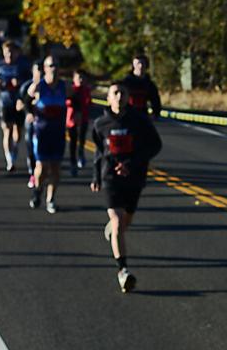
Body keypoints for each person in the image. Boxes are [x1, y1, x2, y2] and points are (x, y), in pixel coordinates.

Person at [90, 80, 162, 292]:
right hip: (110, 178)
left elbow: (155, 145)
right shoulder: (100, 124)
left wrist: (132, 163)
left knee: (125, 221)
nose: (119, 96)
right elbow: (98, 152)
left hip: (134, 177)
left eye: (122, 92)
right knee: (118, 220)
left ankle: (113, 231)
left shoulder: (139, 120)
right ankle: (123, 271)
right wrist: (96, 176)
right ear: (108, 97)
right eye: (115, 93)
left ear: (128, 96)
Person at [22, 55, 68, 213]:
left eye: (56, 65)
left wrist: (77, 113)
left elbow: (76, 101)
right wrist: (29, 113)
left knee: (56, 168)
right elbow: (25, 100)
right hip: (42, 131)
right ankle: (37, 189)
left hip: (58, 132)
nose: (54, 69)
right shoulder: (38, 86)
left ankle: (51, 199)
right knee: (42, 167)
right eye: (50, 65)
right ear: (45, 69)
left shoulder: (64, 86)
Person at [0, 39, 31, 172]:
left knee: (18, 131)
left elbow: (31, 81)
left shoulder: (22, 66)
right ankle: (9, 160)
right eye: (6, 52)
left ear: (17, 53)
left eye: (12, 52)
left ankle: (15, 149)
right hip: (5, 101)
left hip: (19, 102)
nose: (9, 55)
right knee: (7, 129)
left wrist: (20, 82)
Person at [66, 67, 94, 174]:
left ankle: (81, 154)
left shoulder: (86, 90)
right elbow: (67, 102)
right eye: (78, 77)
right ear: (73, 79)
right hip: (71, 120)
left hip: (84, 119)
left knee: (82, 139)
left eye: (83, 78)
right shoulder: (71, 90)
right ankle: (73, 163)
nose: (81, 80)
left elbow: (89, 102)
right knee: (73, 141)